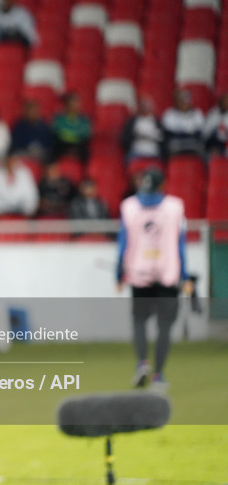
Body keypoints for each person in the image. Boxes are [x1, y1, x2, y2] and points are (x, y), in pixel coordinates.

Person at [117, 167, 194, 390]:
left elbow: (123, 243)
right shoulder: (175, 207)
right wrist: (185, 275)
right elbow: (181, 245)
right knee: (164, 327)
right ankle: (158, 376)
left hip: (139, 273)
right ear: (163, 185)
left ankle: (142, 362)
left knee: (139, 321)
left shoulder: (129, 206)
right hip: (168, 274)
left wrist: (118, 273)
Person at [0, 151, 39, 217]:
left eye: (13, 160)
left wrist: (29, 209)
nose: (11, 163)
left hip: (21, 211)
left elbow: (31, 194)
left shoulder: (25, 173)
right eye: (9, 160)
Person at [162, 89, 205, 157]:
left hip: (193, 142)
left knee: (201, 147)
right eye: (181, 100)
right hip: (176, 143)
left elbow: (199, 133)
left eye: (186, 101)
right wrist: (187, 134)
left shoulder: (197, 113)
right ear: (177, 101)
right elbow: (169, 134)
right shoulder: (169, 114)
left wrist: (184, 134)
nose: (184, 103)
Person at [121, 96, 166, 160]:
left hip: (154, 154)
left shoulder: (157, 122)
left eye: (146, 105)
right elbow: (124, 139)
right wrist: (135, 135)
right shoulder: (132, 122)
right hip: (136, 153)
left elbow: (163, 139)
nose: (144, 107)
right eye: (142, 105)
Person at [10, 99, 55, 163]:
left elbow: (49, 143)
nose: (33, 113)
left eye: (35, 110)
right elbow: (16, 144)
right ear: (26, 112)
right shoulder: (19, 126)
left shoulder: (44, 126)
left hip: (41, 154)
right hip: (25, 153)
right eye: (31, 110)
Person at [52, 92, 91, 161]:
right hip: (63, 144)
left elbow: (85, 135)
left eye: (76, 103)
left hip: (78, 145)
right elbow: (58, 133)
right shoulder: (59, 119)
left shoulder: (84, 120)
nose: (74, 106)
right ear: (66, 105)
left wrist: (70, 135)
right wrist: (73, 135)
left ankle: (85, 171)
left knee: (87, 152)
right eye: (72, 104)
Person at [204, 92, 227, 157]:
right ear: (220, 102)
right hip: (214, 142)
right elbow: (205, 132)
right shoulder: (213, 113)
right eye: (224, 101)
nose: (226, 104)